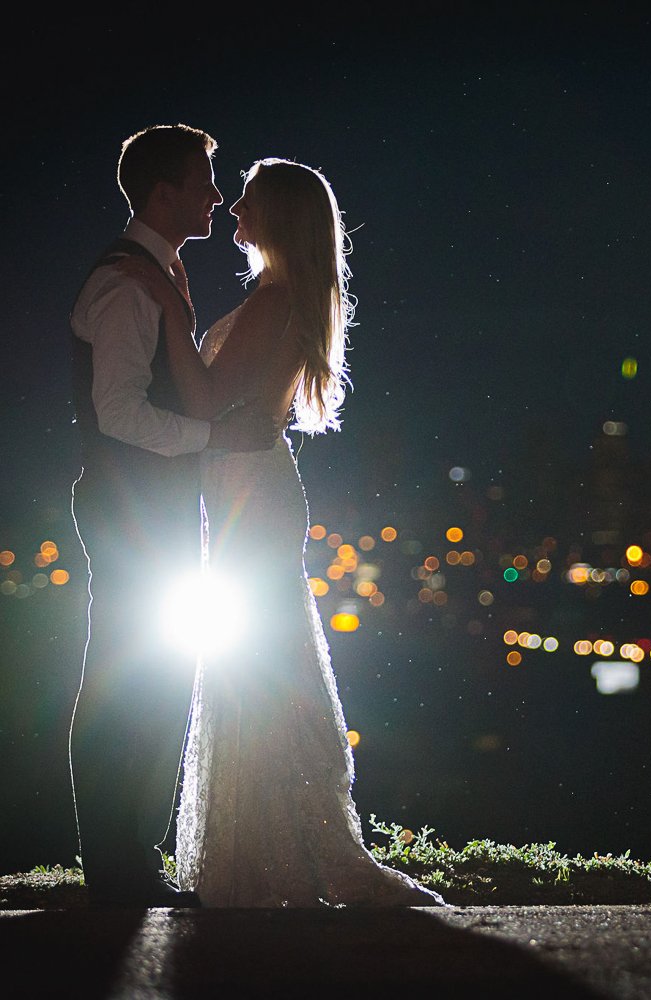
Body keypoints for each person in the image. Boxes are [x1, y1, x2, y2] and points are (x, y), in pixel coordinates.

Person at [122, 157, 444, 907]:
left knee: (258, 671)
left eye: (248, 201)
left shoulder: (272, 303)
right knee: (258, 668)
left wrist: (171, 314)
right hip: (248, 486)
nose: (232, 209)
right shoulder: (277, 296)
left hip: (249, 492)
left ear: (279, 219)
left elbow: (204, 397)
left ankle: (279, 854)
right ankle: (267, 850)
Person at [69, 124, 278, 908]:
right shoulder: (126, 284)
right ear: (163, 193)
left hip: (148, 505)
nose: (216, 199)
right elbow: (118, 412)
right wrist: (213, 436)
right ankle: (118, 867)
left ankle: (127, 860)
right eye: (202, 185)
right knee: (128, 682)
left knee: (150, 679)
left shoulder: (158, 271)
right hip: (131, 507)